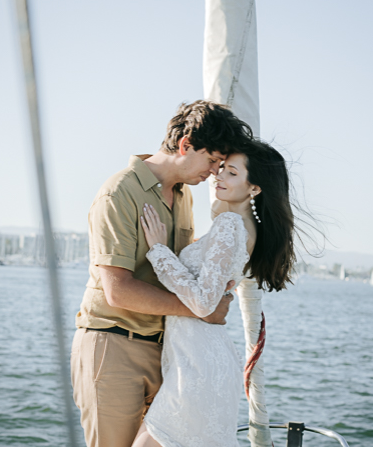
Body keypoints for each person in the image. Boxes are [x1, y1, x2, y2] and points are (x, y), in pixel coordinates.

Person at [70, 101, 254, 448]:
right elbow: (118, 291)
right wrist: (204, 309)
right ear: (185, 145)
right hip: (114, 343)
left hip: (168, 350)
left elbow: (181, 270)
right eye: (213, 160)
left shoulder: (184, 198)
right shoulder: (119, 192)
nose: (215, 171)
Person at [131, 138, 296, 448]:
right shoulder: (243, 226)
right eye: (220, 169)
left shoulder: (230, 224)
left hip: (199, 364)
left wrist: (158, 250)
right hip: (197, 359)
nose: (218, 176)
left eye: (232, 173)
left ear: (254, 188)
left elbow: (205, 302)